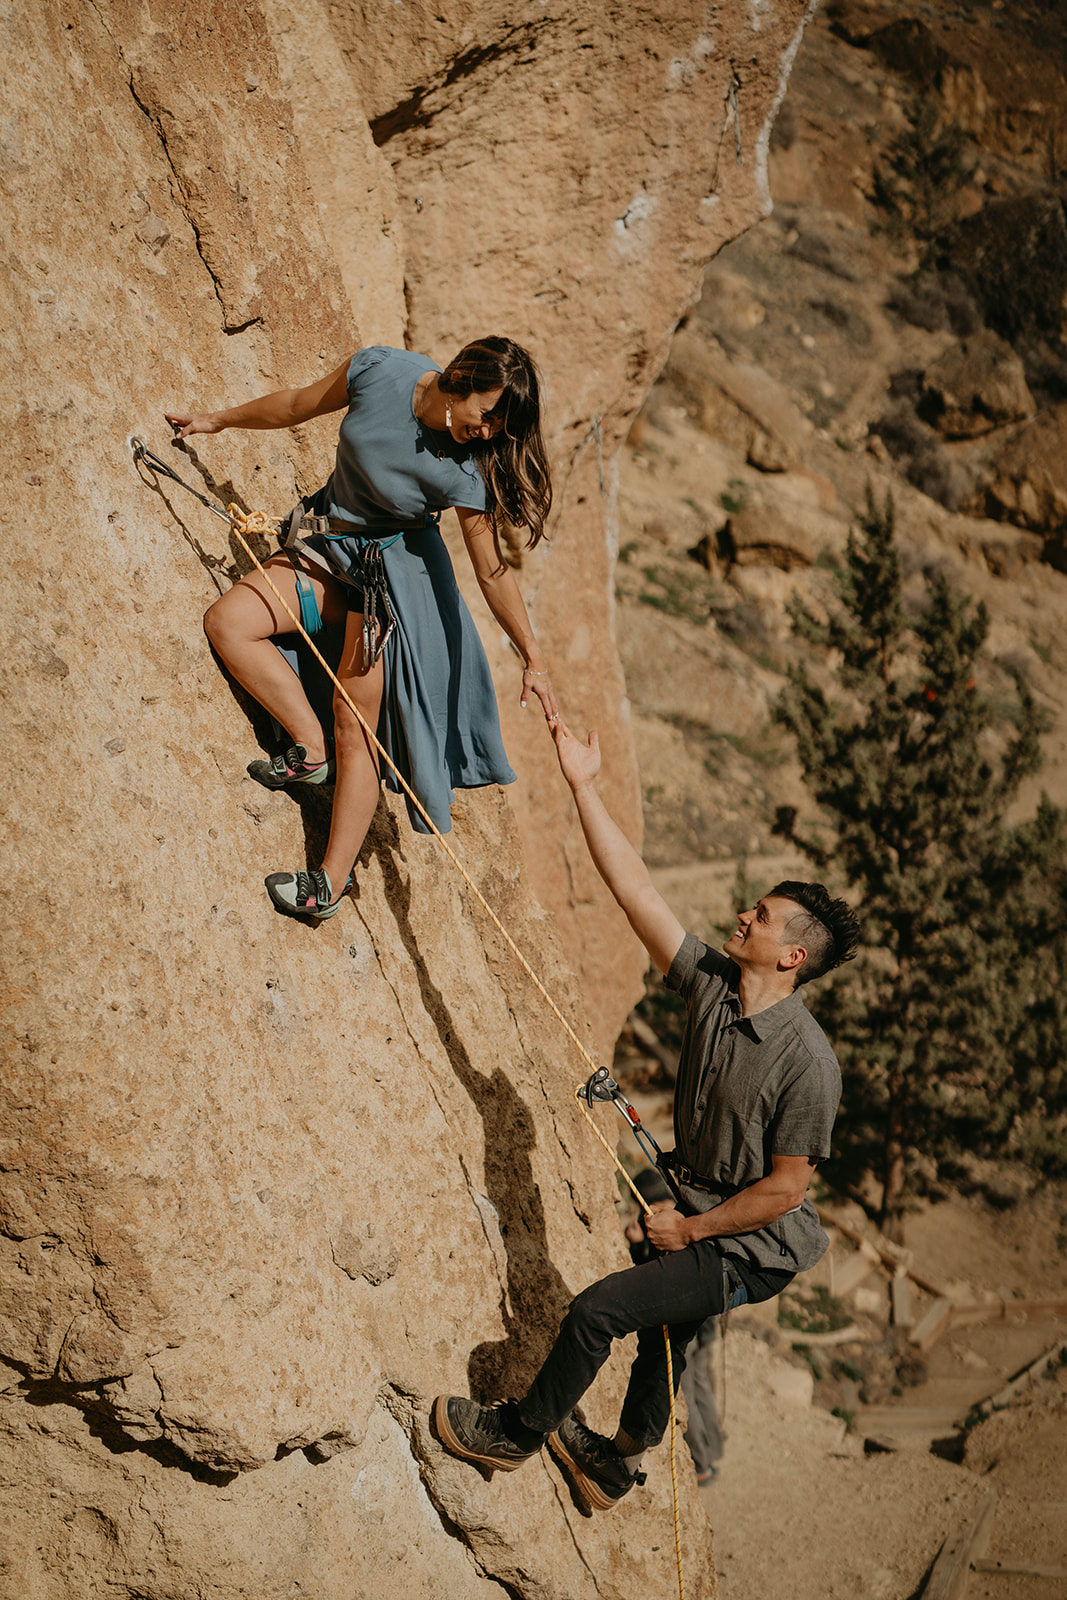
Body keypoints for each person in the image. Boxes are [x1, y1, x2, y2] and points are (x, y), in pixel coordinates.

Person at [434, 719, 860, 1512]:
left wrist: (691, 1231)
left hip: (748, 1247)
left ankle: (514, 1438)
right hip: (702, 1210)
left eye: (760, 917)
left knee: (599, 1312)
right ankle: (617, 1461)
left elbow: (786, 1192)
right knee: (665, 1333)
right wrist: (582, 787)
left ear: (792, 955)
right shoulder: (708, 983)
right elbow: (635, 889)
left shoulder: (808, 1064)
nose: (743, 916)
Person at [165, 338, 558, 920]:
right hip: (331, 549)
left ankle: (328, 884)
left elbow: (491, 572)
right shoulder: (380, 370)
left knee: (358, 727)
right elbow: (298, 403)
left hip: (387, 589)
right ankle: (308, 746)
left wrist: (534, 659)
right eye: (488, 414)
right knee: (229, 623)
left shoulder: (466, 473)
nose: (489, 431)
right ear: (464, 377)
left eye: (502, 426)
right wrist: (216, 420)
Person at [625, 1167, 723, 1487]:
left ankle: (702, 1462)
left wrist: (638, 1245)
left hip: (686, 1322)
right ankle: (715, 1447)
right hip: (708, 1317)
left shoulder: (659, 1222)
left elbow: (655, 1272)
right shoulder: (688, 1211)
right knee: (701, 1383)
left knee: (687, 1393)